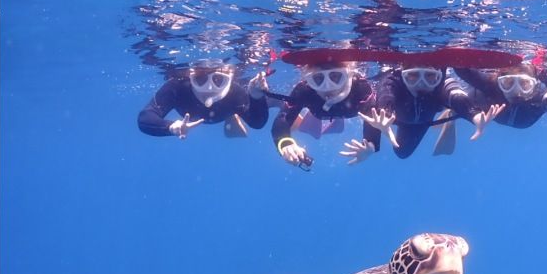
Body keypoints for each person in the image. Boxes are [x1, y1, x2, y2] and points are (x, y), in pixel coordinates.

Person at [340, 65, 503, 164]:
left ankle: (450, 115)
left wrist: (474, 116)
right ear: (403, 74)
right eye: (412, 76)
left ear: (439, 77)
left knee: (402, 152)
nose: (421, 83)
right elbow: (384, 96)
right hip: (395, 120)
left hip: (420, 122)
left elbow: (456, 95)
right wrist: (371, 146)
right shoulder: (392, 82)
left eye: (430, 77)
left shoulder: (441, 85)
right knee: (400, 152)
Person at [270, 62, 382, 169]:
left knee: (321, 126)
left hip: (326, 112)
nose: (328, 86)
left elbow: (373, 120)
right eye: (318, 79)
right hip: (319, 113)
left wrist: (371, 147)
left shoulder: (360, 87)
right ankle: (304, 116)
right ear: (309, 80)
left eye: (336, 77)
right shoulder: (304, 89)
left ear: (348, 74)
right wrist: (285, 143)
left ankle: (328, 122)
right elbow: (283, 118)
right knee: (306, 119)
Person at [454, 62, 547, 138]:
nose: (516, 91)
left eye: (524, 84)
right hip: (482, 107)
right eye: (508, 83)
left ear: (534, 85)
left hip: (521, 120)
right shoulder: (490, 84)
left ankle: (454, 108)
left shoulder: (540, 94)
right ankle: (453, 107)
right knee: (467, 93)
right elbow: (460, 67)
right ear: (499, 81)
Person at [138, 58, 270, 139]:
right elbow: (145, 118)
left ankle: (235, 114)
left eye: (218, 80)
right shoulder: (177, 87)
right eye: (200, 79)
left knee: (266, 100)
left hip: (229, 109)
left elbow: (257, 122)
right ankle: (235, 114)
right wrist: (170, 127)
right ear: (190, 76)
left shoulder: (236, 92)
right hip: (227, 110)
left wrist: (256, 97)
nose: (210, 89)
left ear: (229, 77)